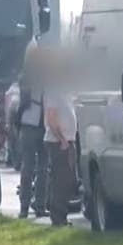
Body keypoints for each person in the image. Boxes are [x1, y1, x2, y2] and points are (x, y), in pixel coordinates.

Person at [13, 50, 48, 219]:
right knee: (42, 168)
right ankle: (39, 205)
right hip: (42, 125)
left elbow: (23, 101)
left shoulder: (24, 77)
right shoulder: (45, 77)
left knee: (27, 167)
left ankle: (24, 207)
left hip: (28, 125)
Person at [44, 85, 78, 228]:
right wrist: (62, 139)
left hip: (67, 140)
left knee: (67, 181)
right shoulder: (54, 91)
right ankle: (58, 218)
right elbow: (51, 117)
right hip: (58, 142)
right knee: (60, 181)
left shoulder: (66, 92)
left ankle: (61, 215)